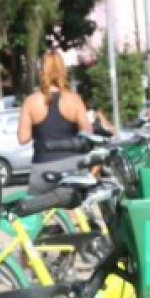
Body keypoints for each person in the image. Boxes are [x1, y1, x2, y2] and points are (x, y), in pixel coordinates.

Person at [18, 50, 93, 194]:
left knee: (40, 210)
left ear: (42, 71)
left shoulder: (31, 101)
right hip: (73, 165)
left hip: (43, 167)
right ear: (63, 70)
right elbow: (88, 133)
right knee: (76, 209)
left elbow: (23, 138)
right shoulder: (74, 100)